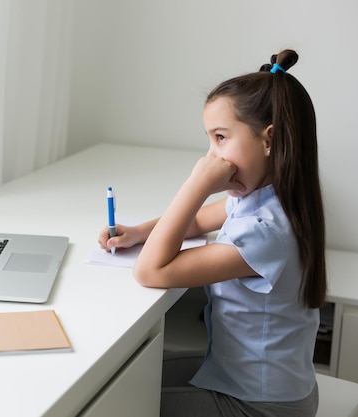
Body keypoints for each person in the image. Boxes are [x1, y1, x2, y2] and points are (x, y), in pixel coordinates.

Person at [98, 50, 326, 417]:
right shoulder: (264, 197)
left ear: (270, 140)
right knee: (119, 378)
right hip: (238, 375)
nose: (211, 157)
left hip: (260, 405)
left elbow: (150, 272)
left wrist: (197, 184)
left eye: (220, 138)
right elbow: (196, 222)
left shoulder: (265, 231)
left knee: (115, 405)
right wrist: (139, 232)